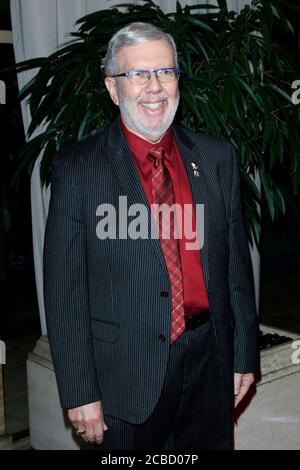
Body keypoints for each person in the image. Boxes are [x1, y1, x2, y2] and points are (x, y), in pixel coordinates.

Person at [44, 22, 258, 450]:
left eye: (165, 72)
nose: (154, 87)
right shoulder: (78, 170)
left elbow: (236, 269)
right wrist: (81, 391)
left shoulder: (216, 158)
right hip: (125, 379)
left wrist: (243, 355)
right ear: (112, 87)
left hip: (208, 365)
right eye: (137, 75)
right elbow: (64, 292)